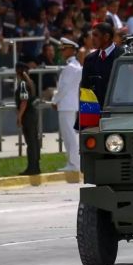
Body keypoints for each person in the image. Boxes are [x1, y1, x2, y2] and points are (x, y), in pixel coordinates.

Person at [51, 38, 82, 172]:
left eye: (64, 49)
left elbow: (63, 88)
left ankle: (74, 164)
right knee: (69, 134)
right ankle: (73, 162)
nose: (62, 52)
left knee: (69, 135)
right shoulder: (74, 66)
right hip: (69, 104)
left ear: (71, 50)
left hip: (66, 104)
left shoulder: (71, 68)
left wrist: (54, 101)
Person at [81, 22, 122, 105]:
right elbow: (85, 89)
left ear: (106, 37)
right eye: (92, 35)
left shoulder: (123, 56)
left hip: (118, 110)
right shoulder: (90, 59)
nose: (92, 38)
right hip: (96, 111)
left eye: (96, 35)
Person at [15, 62, 40, 175]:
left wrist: (19, 117)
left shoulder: (23, 85)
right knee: (34, 141)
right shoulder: (31, 83)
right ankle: (36, 166)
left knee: (31, 142)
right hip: (33, 114)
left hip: (27, 115)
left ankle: (32, 167)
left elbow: (24, 102)